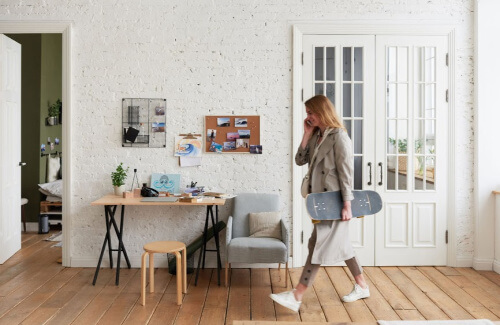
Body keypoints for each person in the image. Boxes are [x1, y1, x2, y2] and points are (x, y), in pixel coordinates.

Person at [269, 95, 370, 312]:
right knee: (341, 245)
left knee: (317, 246)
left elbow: (346, 174)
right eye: (307, 113)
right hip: (319, 202)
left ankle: (297, 295)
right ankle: (362, 285)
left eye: (310, 113)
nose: (308, 117)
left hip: (334, 201)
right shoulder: (317, 135)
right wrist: (306, 134)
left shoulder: (339, 137)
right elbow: (299, 160)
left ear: (321, 112)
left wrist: (347, 205)